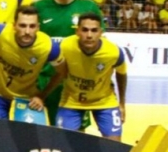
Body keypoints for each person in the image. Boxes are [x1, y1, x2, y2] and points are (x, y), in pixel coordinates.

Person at [34, 0, 103, 126]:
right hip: (42, 82)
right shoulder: (39, 7)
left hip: (75, 85)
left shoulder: (88, 7)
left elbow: (99, 43)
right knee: (38, 135)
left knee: (75, 136)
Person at [52, 13, 128, 141]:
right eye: (85, 30)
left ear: (101, 33)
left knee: (115, 146)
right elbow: (58, 70)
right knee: (62, 144)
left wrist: (122, 104)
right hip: (72, 100)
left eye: (94, 30)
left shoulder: (113, 52)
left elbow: (122, 74)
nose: (89, 35)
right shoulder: (65, 46)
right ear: (77, 31)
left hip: (104, 101)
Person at [0, 6, 64, 120]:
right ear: (14, 26)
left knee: (25, 136)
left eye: (32, 26)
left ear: (38, 27)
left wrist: (41, 96)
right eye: (22, 25)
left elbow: (61, 72)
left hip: (27, 99)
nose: (27, 31)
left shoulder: (49, 47)